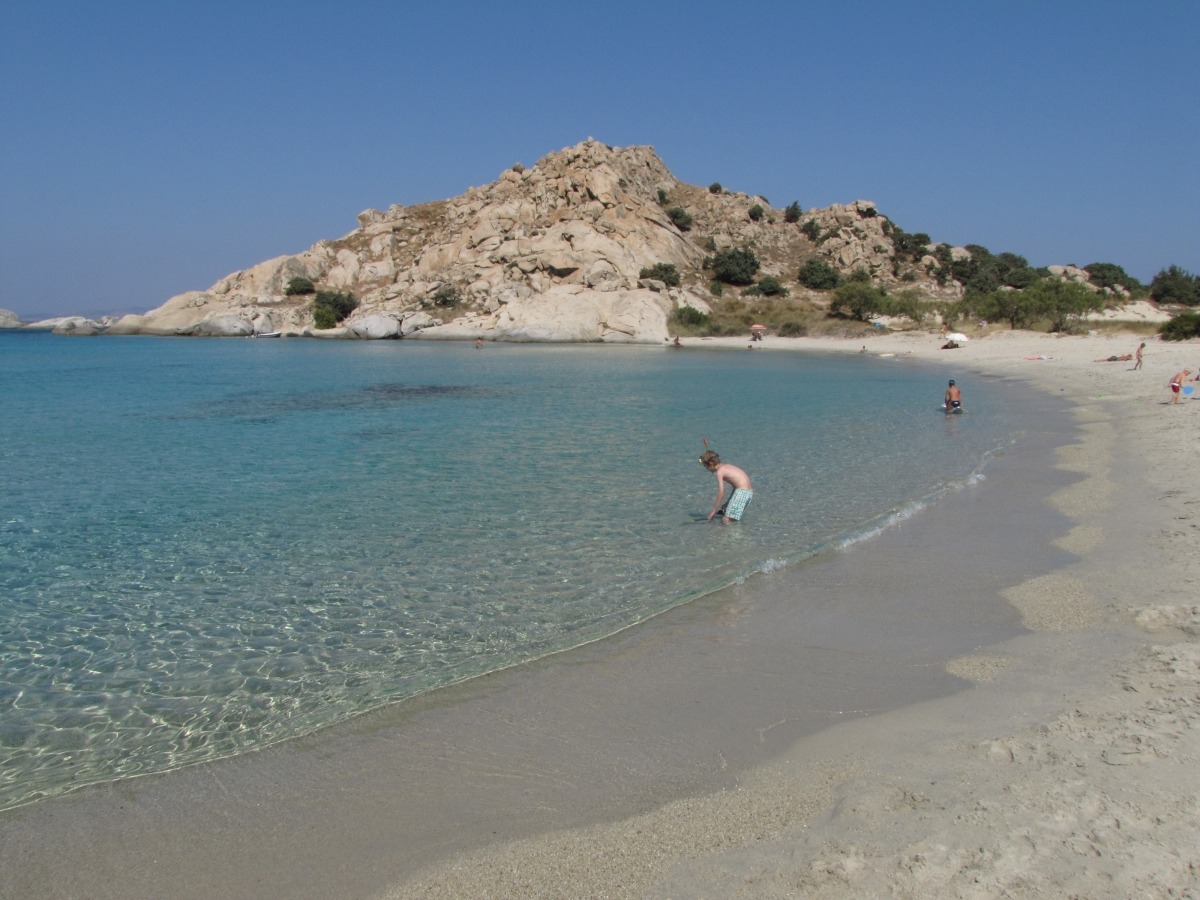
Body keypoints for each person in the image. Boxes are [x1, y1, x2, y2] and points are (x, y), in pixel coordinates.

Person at [699, 448, 753, 523]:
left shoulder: (720, 472)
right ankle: (733, 533)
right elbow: (736, 486)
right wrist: (728, 502)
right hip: (748, 493)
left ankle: (732, 534)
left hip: (742, 492)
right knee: (732, 519)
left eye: (706, 467)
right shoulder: (726, 466)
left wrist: (714, 510)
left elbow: (721, 492)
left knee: (726, 520)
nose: (707, 470)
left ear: (711, 464)